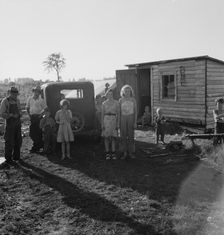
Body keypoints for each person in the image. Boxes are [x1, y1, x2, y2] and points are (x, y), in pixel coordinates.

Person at [0, 87, 22, 166]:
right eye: (13, 94)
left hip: (17, 124)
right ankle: (8, 159)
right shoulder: (5, 101)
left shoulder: (18, 101)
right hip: (9, 125)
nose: (15, 95)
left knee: (18, 141)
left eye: (16, 94)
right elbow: (2, 113)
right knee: (9, 141)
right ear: (10, 93)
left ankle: (16, 157)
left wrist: (19, 114)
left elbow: (20, 110)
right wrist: (11, 115)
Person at [26, 86, 47, 153]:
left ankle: (36, 147)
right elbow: (27, 107)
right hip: (32, 117)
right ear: (33, 91)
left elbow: (46, 109)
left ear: (39, 92)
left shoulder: (41, 100)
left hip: (38, 117)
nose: (36, 93)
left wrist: (41, 115)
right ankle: (38, 145)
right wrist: (29, 115)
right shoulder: (29, 99)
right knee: (32, 133)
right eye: (35, 91)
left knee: (38, 133)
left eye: (38, 91)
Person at [119, 85, 137, 159]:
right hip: (123, 118)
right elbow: (119, 112)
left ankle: (131, 153)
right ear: (123, 92)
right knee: (123, 136)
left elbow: (136, 112)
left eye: (128, 91)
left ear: (131, 92)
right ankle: (124, 153)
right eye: (125, 91)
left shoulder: (133, 100)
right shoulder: (120, 100)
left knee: (131, 136)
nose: (127, 92)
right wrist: (118, 122)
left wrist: (135, 122)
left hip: (131, 118)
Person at [101, 89, 119, 160]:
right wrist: (102, 124)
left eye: (111, 94)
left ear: (113, 95)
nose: (110, 95)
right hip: (106, 120)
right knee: (106, 138)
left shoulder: (116, 103)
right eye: (108, 94)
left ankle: (113, 153)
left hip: (113, 119)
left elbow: (118, 113)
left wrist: (118, 124)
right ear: (106, 95)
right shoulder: (104, 103)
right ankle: (107, 153)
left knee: (113, 138)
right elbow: (102, 114)